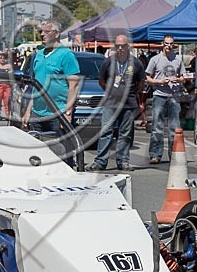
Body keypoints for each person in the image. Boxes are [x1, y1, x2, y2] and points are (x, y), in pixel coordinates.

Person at [20, 19, 80, 166]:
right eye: (41, 31)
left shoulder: (66, 55)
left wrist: (68, 113)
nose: (42, 34)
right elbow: (36, 85)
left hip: (58, 113)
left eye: (46, 31)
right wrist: (28, 111)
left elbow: (74, 85)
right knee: (38, 154)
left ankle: (67, 176)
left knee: (62, 154)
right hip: (37, 113)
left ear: (56, 34)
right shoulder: (38, 55)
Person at [87, 35, 145, 171]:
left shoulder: (136, 63)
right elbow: (101, 80)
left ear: (128, 47)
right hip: (111, 103)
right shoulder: (108, 62)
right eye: (117, 46)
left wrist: (131, 93)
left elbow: (141, 82)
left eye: (123, 46)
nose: (120, 49)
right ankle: (100, 162)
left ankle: (123, 161)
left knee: (125, 133)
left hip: (128, 104)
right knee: (106, 132)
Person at [145, 35, 185, 164]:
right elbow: (147, 78)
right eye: (166, 43)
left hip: (174, 95)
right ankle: (155, 154)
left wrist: (178, 79)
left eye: (171, 43)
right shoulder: (155, 59)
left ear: (174, 45)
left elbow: (183, 77)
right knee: (157, 126)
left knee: (174, 127)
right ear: (162, 44)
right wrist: (159, 82)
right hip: (159, 95)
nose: (168, 46)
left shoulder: (178, 60)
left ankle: (173, 154)